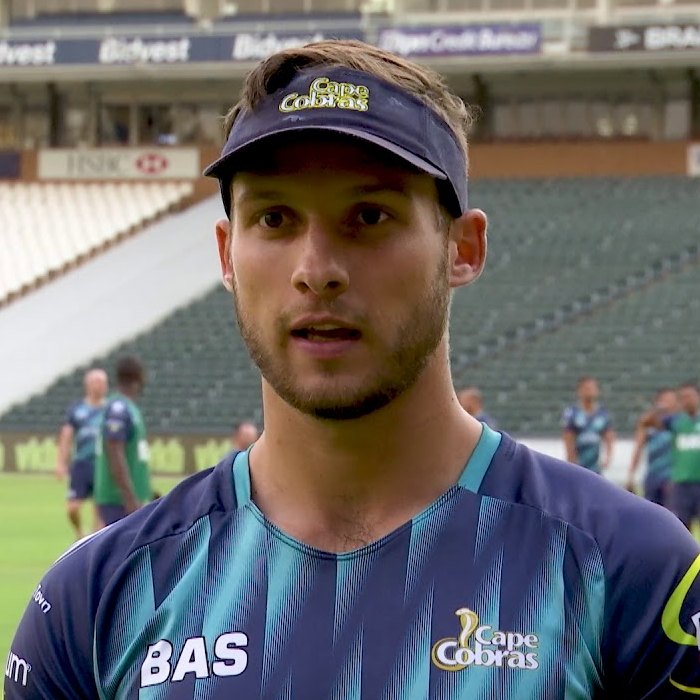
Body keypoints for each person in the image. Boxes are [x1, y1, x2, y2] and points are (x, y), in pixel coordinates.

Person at [6, 40, 700, 700]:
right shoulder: (95, 600)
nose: (316, 270)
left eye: (369, 216)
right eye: (274, 219)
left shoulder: (631, 574)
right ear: (225, 255)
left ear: (463, 248)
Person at [92, 355, 152, 527]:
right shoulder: (118, 408)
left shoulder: (128, 407)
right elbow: (115, 452)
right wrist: (129, 499)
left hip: (131, 499)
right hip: (119, 502)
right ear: (138, 378)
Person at [55, 367, 108, 539]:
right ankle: (79, 533)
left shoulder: (110, 409)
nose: (100, 386)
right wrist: (61, 463)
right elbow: (66, 436)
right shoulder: (77, 409)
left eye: (103, 383)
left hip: (103, 465)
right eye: (96, 382)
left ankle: (93, 543)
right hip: (81, 464)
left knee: (99, 511)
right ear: (87, 385)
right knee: (73, 508)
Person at [642, 381, 700, 530]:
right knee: (682, 528)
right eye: (683, 397)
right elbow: (647, 422)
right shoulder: (676, 421)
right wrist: (660, 408)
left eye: (689, 396)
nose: (687, 401)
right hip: (681, 483)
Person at [626, 388, 678, 505]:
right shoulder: (648, 424)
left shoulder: (679, 423)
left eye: (670, 400)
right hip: (653, 474)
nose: (666, 403)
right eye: (664, 400)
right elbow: (638, 449)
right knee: (651, 507)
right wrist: (631, 475)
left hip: (671, 476)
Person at [561, 376, 615, 473]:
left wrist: (608, 457)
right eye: (586, 388)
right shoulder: (573, 412)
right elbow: (568, 437)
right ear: (579, 391)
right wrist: (571, 460)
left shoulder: (603, 413)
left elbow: (609, 436)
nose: (590, 391)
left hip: (595, 466)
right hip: (579, 464)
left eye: (592, 388)